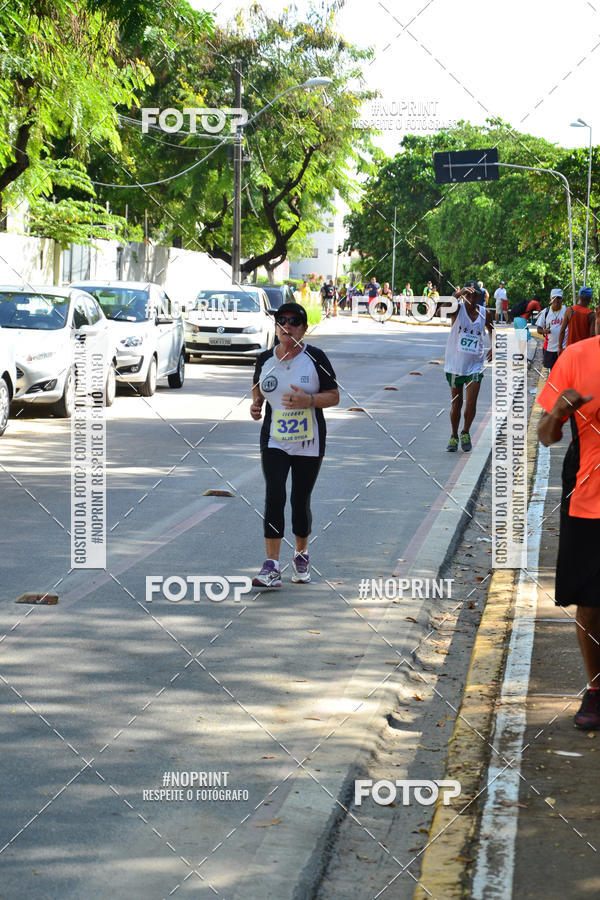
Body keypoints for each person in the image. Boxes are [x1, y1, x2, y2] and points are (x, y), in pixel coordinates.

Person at [538, 316, 600, 727]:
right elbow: (545, 436)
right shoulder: (577, 357)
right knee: (591, 606)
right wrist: (559, 412)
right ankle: (596, 690)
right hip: (589, 500)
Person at [250, 303, 339, 588]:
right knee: (274, 495)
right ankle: (272, 566)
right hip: (274, 439)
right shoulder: (265, 358)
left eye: (294, 322)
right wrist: (256, 405)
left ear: (304, 328)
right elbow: (258, 386)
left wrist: (309, 401)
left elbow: (334, 396)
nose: (287, 326)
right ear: (276, 328)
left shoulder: (316, 357)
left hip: (308, 442)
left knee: (300, 500)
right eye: (281, 322)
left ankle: (301, 555)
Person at [444, 284, 494, 452]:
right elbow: (441, 311)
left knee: (471, 402)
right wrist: (459, 293)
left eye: (475, 296)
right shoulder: (457, 309)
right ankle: (453, 435)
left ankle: (465, 432)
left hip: (475, 364)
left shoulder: (484, 313)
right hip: (455, 364)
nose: (472, 299)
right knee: (456, 403)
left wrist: (494, 346)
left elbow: (491, 329)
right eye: (469, 296)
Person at [558, 286, 595, 354]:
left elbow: (562, 331)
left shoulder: (570, 310)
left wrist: (560, 348)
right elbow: (592, 336)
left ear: (578, 296)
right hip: (584, 351)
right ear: (590, 299)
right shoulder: (591, 314)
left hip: (570, 350)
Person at [536, 289, 566, 370]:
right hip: (550, 348)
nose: (556, 300)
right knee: (551, 372)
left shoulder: (567, 311)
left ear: (562, 299)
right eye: (554, 298)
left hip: (564, 348)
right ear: (550, 299)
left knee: (562, 371)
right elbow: (538, 329)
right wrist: (543, 331)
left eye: (558, 298)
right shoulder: (545, 312)